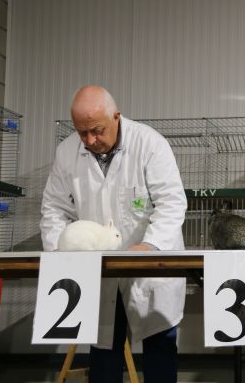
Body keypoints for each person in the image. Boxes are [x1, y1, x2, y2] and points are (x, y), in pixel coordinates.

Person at [40, 86, 187, 383]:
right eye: (82, 133)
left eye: (97, 131)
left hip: (150, 270)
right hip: (99, 273)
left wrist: (149, 245)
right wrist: (60, 255)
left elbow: (171, 203)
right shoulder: (67, 152)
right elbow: (54, 208)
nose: (90, 141)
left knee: (159, 352)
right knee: (104, 354)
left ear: (116, 117)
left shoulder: (149, 144)